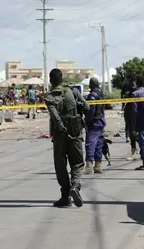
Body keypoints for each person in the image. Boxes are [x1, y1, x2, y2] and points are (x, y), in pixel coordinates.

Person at [45, 69, 88, 207]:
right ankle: (75, 186)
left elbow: (55, 117)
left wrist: (62, 129)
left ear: (51, 80)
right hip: (75, 131)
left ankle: (65, 196)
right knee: (77, 162)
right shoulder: (74, 91)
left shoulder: (49, 97)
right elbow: (87, 107)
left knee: (60, 164)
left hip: (60, 135)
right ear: (62, 79)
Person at [84, 77, 106, 174]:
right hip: (101, 121)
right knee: (99, 144)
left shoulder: (92, 95)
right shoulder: (101, 94)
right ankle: (98, 165)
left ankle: (89, 166)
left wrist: (87, 121)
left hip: (94, 122)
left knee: (90, 143)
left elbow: (91, 111)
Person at [123, 81, 139, 160]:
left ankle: (136, 152)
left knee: (134, 135)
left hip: (133, 117)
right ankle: (135, 152)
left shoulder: (134, 94)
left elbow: (134, 108)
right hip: (130, 117)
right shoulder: (131, 94)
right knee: (133, 134)